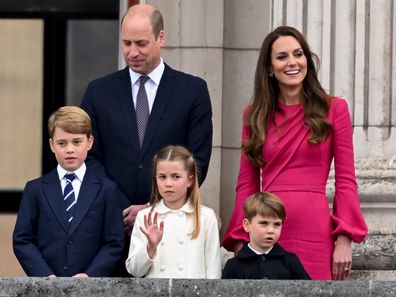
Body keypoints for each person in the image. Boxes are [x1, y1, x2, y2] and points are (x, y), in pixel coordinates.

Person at [222, 26, 368, 280]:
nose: (293, 62)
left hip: (315, 232)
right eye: (282, 57)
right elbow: (246, 182)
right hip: (269, 227)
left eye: (298, 54)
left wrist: (344, 238)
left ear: (307, 61)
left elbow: (346, 180)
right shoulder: (254, 114)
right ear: (269, 68)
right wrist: (241, 237)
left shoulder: (334, 109)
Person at [80, 4, 213, 236]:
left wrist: (154, 208)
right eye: (126, 43)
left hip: (170, 226)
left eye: (141, 43)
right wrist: (119, 205)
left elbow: (197, 160)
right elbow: (87, 156)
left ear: (160, 37)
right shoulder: (98, 91)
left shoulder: (192, 91)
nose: (132, 52)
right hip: (108, 226)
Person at [13, 106, 124, 277]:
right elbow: (22, 240)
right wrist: (44, 276)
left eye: (77, 142)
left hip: (91, 288)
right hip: (46, 287)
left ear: (90, 142)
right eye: (62, 143)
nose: (69, 149)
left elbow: (114, 242)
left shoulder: (107, 189)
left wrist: (90, 275)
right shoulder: (35, 189)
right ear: (51, 145)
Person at [125, 145, 221, 278]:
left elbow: (213, 272)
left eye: (176, 177)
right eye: (162, 177)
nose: (168, 183)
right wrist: (150, 247)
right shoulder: (145, 216)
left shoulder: (206, 217)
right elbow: (134, 271)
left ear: (190, 180)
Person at [222, 192, 310, 279]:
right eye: (264, 223)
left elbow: (308, 291)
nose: (271, 231)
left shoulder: (290, 261)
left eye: (277, 224)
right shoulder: (233, 265)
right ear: (247, 225)